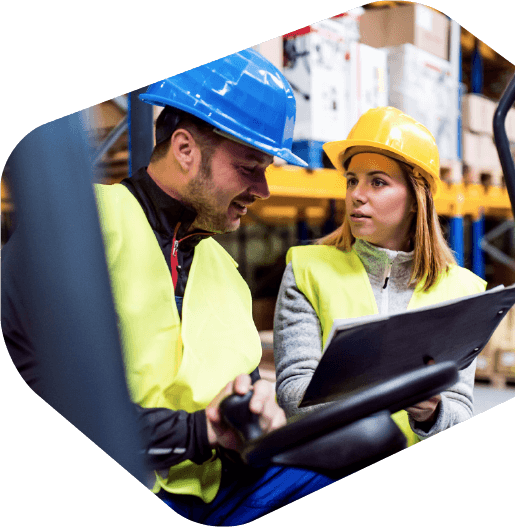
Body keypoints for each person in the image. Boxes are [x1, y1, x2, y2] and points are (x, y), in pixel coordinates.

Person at [2, 49, 335, 525]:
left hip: (219, 493)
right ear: (184, 150)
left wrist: (256, 414)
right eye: (249, 167)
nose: (263, 190)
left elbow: (241, 393)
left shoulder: (227, 274)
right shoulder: (82, 226)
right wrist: (196, 432)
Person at [273, 107, 487, 446]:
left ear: (417, 199)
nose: (357, 194)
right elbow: (293, 393)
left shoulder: (462, 290)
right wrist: (390, 390)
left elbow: (459, 409)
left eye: (378, 182)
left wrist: (433, 412)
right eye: (352, 180)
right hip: (327, 467)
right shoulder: (307, 270)